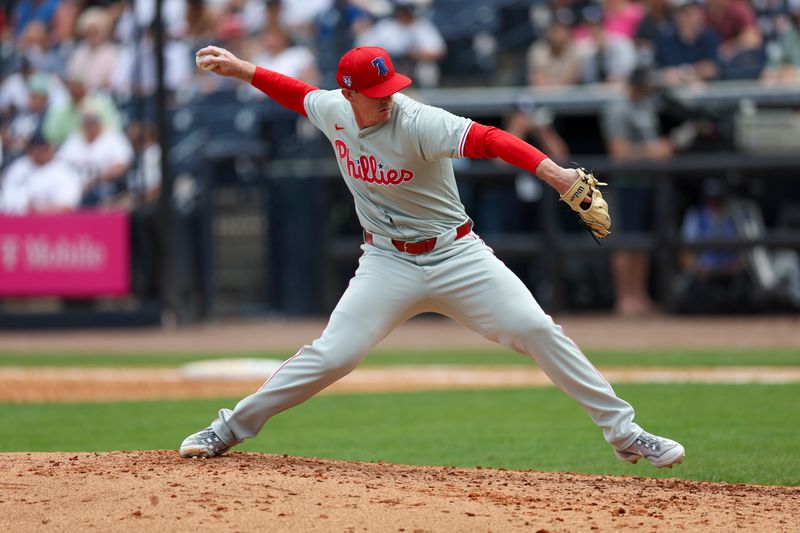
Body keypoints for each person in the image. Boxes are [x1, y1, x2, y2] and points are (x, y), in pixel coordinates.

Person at [179, 44, 685, 469]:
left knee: (536, 329)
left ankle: (625, 433)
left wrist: (555, 174)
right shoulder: (334, 109)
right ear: (349, 94)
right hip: (386, 263)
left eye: (391, 88)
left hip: (456, 254)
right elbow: (295, 93)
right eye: (375, 94)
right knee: (335, 354)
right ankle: (228, 428)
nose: (388, 99)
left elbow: (491, 139)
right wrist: (242, 69)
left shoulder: (418, 121)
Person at [600, 66, 672, 315]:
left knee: (643, 241)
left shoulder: (647, 106)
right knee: (624, 241)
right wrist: (653, 152)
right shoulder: (618, 109)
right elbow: (618, 153)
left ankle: (639, 297)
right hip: (625, 183)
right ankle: (624, 299)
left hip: (647, 182)